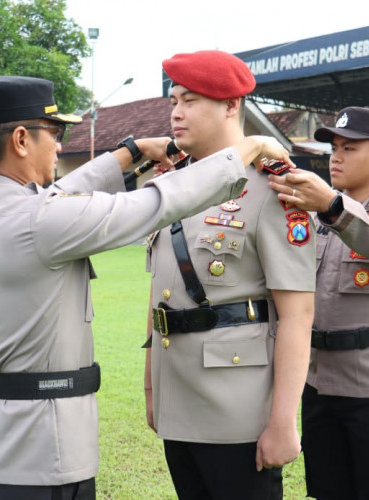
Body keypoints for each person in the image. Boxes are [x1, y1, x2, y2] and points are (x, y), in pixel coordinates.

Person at [0, 75, 294, 499]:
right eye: (54, 135)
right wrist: (250, 148)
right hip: (38, 457)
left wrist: (129, 154)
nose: (59, 147)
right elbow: (158, 202)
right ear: (21, 140)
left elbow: (56, 197)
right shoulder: (40, 222)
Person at [143, 50, 315, 500]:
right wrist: (150, 384)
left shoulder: (274, 188)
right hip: (176, 392)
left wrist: (283, 421)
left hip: (238, 407)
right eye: (174, 100)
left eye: (192, 100)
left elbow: (297, 315)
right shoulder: (173, 187)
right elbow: (161, 292)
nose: (177, 112)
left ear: (231, 106)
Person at [269, 106, 369, 499]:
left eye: (349, 147)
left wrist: (334, 208)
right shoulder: (307, 216)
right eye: (334, 147)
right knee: (327, 489)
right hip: (317, 384)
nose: (335, 157)